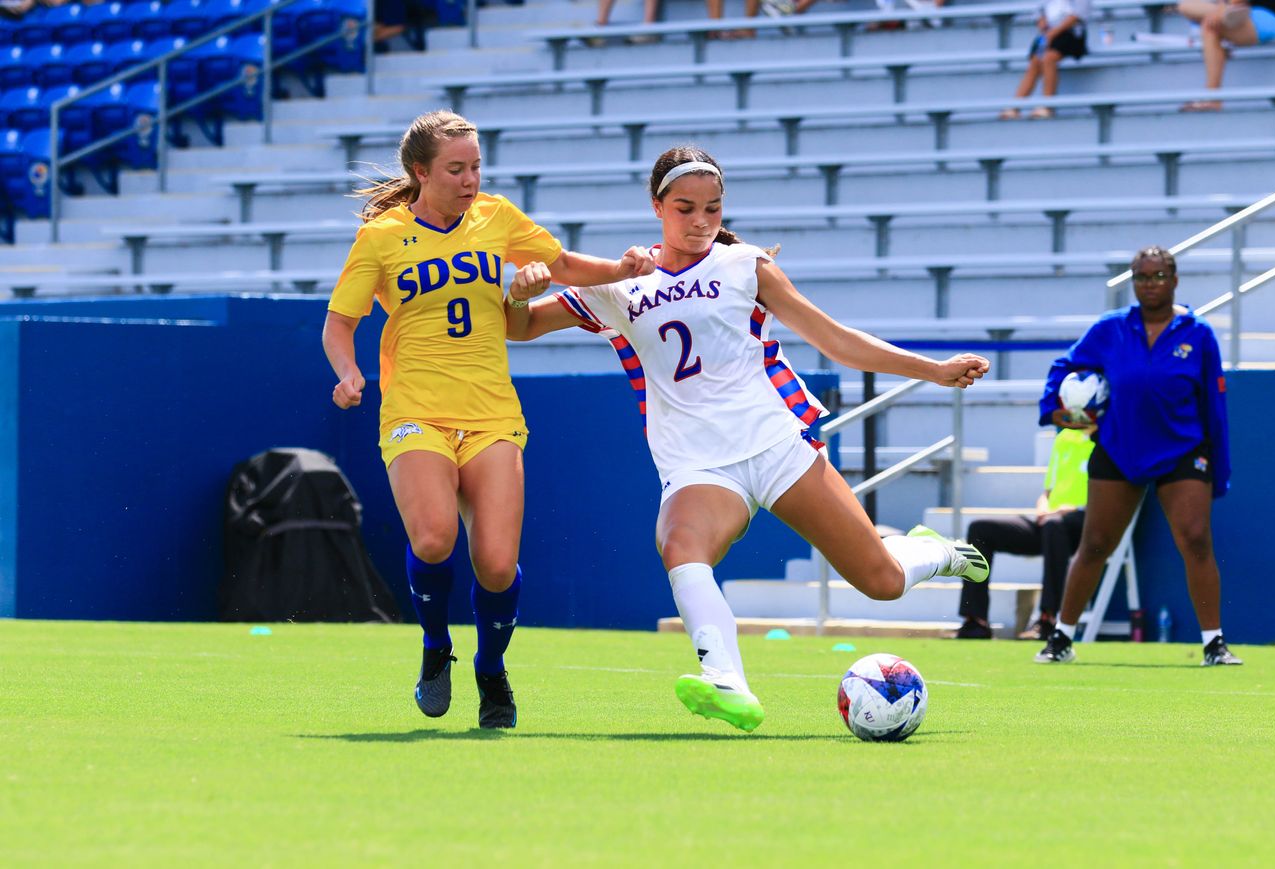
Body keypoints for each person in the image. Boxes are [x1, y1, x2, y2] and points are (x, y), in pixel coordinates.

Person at [505, 145, 993, 733]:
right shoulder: (619, 282)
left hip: (775, 446)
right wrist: (519, 289)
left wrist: (933, 370)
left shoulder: (744, 265)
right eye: (685, 207)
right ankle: (728, 685)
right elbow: (520, 326)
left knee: (882, 582)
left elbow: (834, 340)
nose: (701, 220)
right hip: (697, 464)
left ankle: (937, 551)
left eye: (712, 208)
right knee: (680, 544)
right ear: (656, 205)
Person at [322, 110, 655, 728]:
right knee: (433, 538)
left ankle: (491, 668)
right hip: (414, 410)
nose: (470, 178)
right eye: (456, 168)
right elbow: (339, 324)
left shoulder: (497, 219)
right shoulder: (382, 237)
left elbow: (561, 267)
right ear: (421, 172)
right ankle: (433, 648)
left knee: (497, 564)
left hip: (492, 412)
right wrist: (347, 374)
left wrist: (621, 269)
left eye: (476, 166)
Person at [1034, 246, 1241, 667]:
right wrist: (1054, 410)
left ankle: (1214, 643)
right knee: (1094, 544)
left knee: (1197, 539)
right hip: (1119, 446)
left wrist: (1218, 470)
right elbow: (1065, 366)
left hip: (1182, 449)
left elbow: (1214, 407)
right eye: (1142, 277)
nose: (1151, 284)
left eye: (1159, 276)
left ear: (1175, 279)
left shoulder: (1197, 333)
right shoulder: (1111, 328)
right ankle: (1061, 637)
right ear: (1133, 281)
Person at [955, 426, 1093, 640]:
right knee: (980, 529)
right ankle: (976, 621)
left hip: (1085, 525)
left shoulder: (1106, 441)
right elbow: (1048, 491)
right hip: (1050, 522)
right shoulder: (1064, 437)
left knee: (1053, 526)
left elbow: (1104, 497)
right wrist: (1043, 508)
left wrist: (1062, 511)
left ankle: (1048, 620)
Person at [1177, 0, 1275, 111]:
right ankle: (1225, 15)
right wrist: (1222, 9)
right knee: (1186, 6)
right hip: (1242, 12)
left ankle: (1213, 98)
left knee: (1210, 26)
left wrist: (1224, 8)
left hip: (1273, 15)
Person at [999, 0, 1091, 120]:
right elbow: (1039, 11)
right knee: (1035, 61)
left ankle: (1047, 105)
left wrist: (1054, 32)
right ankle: (1016, 107)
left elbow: (1078, 14)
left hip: (1070, 34)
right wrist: (1043, 25)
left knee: (1049, 59)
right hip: (1048, 34)